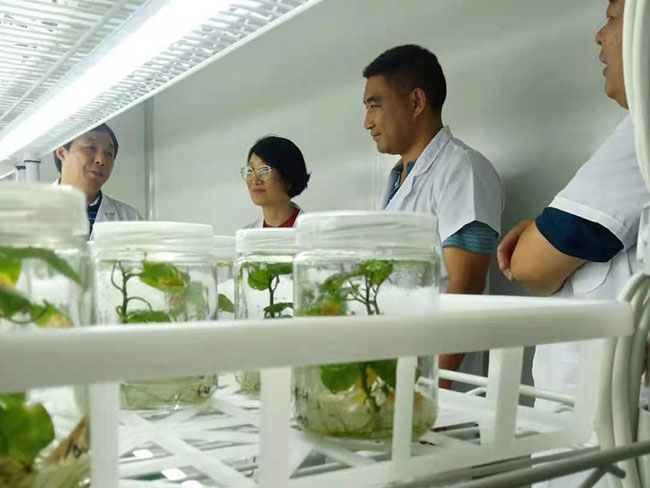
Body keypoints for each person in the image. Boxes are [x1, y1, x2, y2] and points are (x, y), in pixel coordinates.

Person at [498, 1, 647, 484]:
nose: (600, 35)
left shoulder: (641, 136)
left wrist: (537, 234)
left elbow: (531, 266)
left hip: (602, 428)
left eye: (613, 16)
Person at [362, 44, 504, 388]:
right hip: (398, 367)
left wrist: (433, 387)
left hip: (438, 380)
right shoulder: (399, 178)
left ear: (416, 102)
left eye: (375, 106)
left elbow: (466, 287)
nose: (367, 122)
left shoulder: (461, 169)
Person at [54, 123, 142, 237]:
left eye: (108, 153)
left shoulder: (130, 219)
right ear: (62, 153)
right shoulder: (35, 210)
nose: (101, 160)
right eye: (91, 148)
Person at [242, 136, 310, 229]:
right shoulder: (246, 233)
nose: (255, 180)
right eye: (250, 170)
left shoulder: (313, 232)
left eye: (264, 171)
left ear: (288, 178)